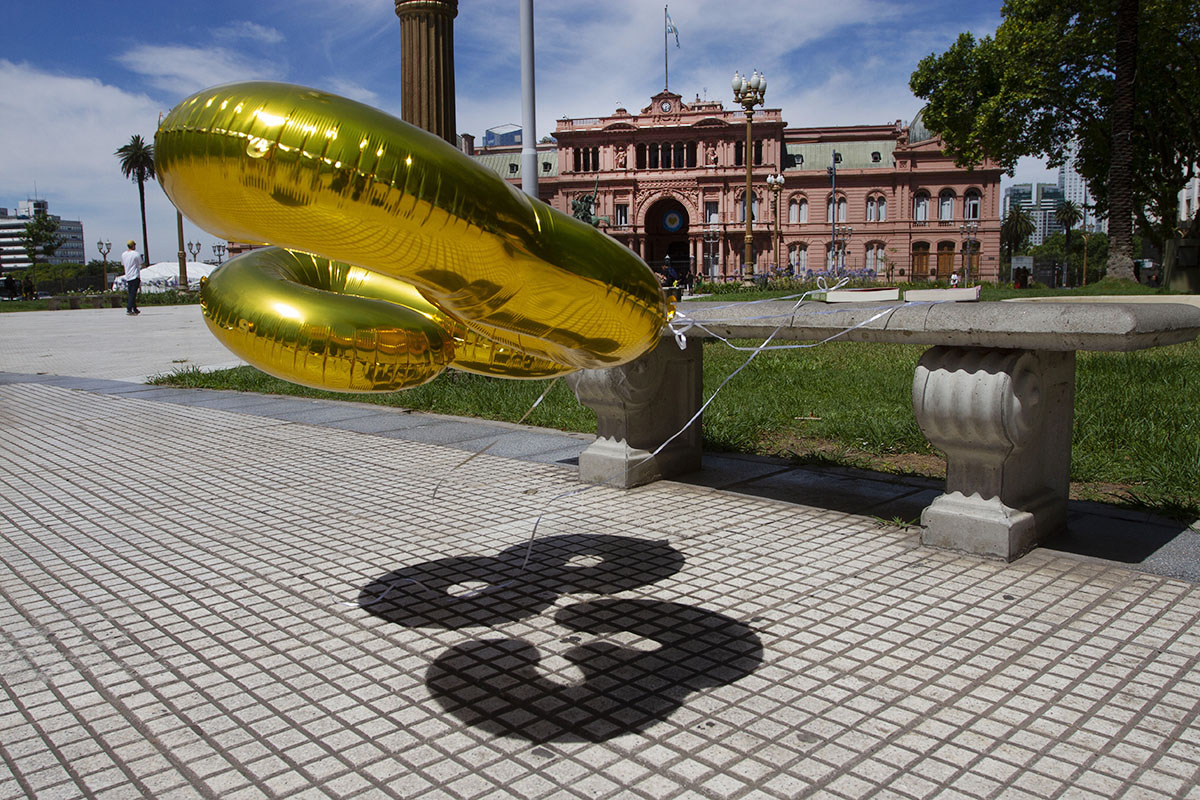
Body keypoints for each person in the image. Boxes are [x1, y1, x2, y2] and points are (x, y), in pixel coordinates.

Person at [121, 240, 144, 315]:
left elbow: (123, 264)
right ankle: (129, 308)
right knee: (133, 294)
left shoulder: (124, 254)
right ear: (133, 246)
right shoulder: (136, 254)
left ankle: (135, 309)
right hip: (135, 275)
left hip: (128, 276)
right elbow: (141, 263)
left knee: (131, 292)